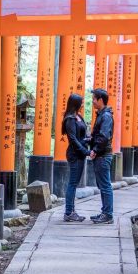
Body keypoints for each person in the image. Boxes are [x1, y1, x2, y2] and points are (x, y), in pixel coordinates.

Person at [62, 93, 89, 222]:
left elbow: (82, 136)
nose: (83, 104)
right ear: (76, 103)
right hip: (75, 154)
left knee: (74, 183)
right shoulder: (70, 119)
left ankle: (71, 211)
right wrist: (85, 151)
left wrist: (90, 141)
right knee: (72, 183)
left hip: (80, 154)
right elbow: (72, 139)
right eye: (81, 102)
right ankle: (68, 212)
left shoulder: (78, 117)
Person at [89, 88, 114, 224]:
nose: (92, 101)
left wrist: (96, 150)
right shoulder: (102, 115)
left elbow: (104, 136)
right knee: (103, 185)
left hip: (103, 155)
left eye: (94, 99)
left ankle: (108, 215)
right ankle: (105, 212)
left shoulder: (105, 116)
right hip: (101, 154)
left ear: (100, 100)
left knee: (105, 185)